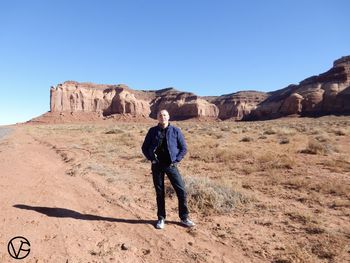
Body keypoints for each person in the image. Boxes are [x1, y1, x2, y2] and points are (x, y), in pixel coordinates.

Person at [142, 109, 195, 229]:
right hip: (157, 165)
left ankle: (184, 217)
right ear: (157, 117)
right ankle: (161, 218)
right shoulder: (152, 131)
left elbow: (183, 148)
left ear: (168, 117)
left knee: (181, 190)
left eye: (164, 115)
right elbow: (144, 147)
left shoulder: (175, 131)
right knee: (159, 193)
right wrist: (151, 159)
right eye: (160, 115)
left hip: (171, 165)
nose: (162, 117)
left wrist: (176, 160)